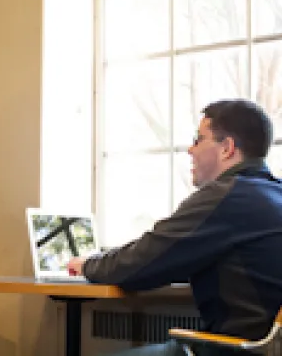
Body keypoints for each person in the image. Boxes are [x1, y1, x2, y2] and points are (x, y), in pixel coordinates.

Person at [68, 99, 282, 356]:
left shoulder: (228, 196)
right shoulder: (272, 194)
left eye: (198, 139)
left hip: (234, 350)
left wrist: (88, 264)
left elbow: (144, 259)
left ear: (227, 148)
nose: (190, 150)